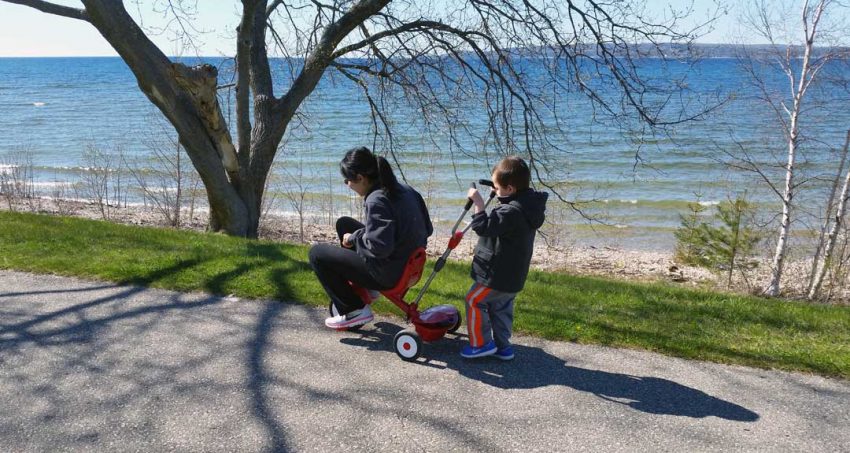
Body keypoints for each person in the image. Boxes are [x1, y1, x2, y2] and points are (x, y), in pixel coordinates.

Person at [309, 146, 433, 330]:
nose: (347, 184)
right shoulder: (405, 189)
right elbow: (428, 229)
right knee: (344, 224)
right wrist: (357, 235)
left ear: (361, 178)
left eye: (348, 180)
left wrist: (355, 239)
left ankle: (354, 309)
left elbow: (380, 247)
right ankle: (368, 289)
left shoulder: (376, 199)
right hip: (408, 264)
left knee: (317, 254)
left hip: (388, 273)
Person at [462, 156, 548, 360]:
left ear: (510, 189)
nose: (495, 190)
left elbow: (482, 227)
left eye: (498, 188)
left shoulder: (510, 212)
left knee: (473, 300)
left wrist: (479, 204)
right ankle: (503, 346)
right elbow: (502, 221)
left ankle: (480, 344)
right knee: (500, 308)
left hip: (496, 275)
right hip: (513, 275)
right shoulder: (528, 206)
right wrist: (498, 193)